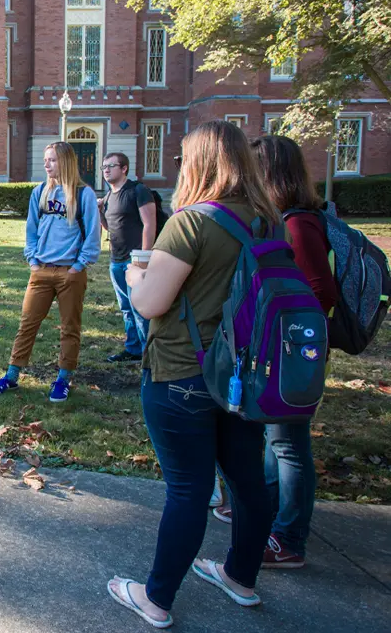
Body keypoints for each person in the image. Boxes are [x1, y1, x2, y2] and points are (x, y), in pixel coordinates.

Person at [108, 120, 278, 628]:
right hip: (245, 376)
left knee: (187, 488)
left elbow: (150, 302)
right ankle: (240, 578)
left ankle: (156, 599)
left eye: (184, 157)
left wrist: (138, 275)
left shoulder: (192, 222)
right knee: (249, 483)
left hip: (183, 372)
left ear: (201, 163)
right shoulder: (269, 222)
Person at [209, 135, 333, 570]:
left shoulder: (298, 224)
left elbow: (318, 289)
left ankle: (288, 537)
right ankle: (259, 513)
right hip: (275, 350)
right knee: (273, 437)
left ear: (272, 171)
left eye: (254, 166)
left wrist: (284, 326)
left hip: (290, 353)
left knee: (289, 446)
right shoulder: (277, 219)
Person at [0, 141, 101, 403]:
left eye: (52, 160)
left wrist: (77, 267)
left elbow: (93, 236)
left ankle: (63, 380)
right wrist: (33, 262)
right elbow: (31, 230)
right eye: (45, 160)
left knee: (69, 328)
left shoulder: (84, 195)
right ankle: (12, 376)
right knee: (27, 324)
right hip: (41, 272)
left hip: (70, 273)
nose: (47, 164)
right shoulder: (39, 192)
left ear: (66, 162)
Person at [98, 152, 156, 363]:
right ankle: (133, 349)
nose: (105, 170)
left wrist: (144, 257)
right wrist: (99, 212)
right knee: (125, 307)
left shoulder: (138, 191)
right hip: (116, 259)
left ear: (124, 169)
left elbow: (150, 223)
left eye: (111, 166)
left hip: (136, 260)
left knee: (139, 307)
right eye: (104, 166)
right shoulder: (109, 196)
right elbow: (110, 226)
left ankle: (149, 352)